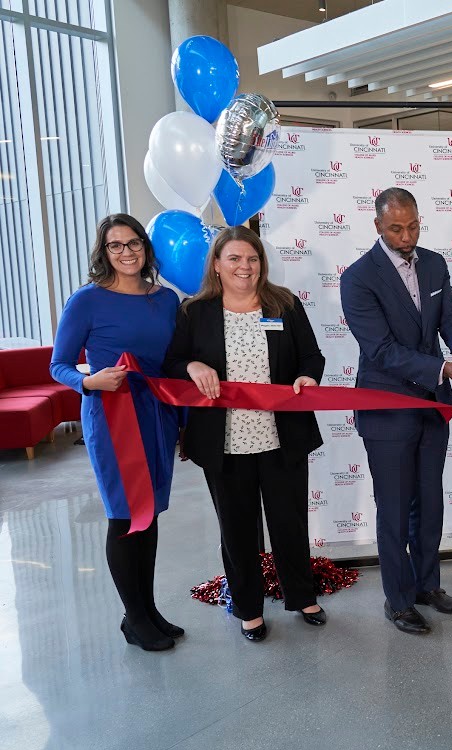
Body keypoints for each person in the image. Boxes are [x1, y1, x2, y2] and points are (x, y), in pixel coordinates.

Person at [163, 226, 326, 642]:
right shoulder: (194, 312)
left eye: (252, 259)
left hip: (282, 437)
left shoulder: (284, 304)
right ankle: (248, 608)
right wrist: (191, 366)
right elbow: (173, 363)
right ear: (216, 265)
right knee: (236, 530)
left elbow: (311, 356)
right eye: (234, 258)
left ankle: (302, 596)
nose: (245, 266)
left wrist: (308, 377)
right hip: (224, 443)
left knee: (289, 522)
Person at [340, 187, 452, 636]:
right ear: (377, 226)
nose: (407, 236)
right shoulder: (358, 278)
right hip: (387, 410)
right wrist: (443, 368)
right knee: (395, 509)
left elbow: (449, 315)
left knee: (429, 502)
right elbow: (380, 350)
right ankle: (398, 601)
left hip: (432, 406)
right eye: (396, 229)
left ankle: (427, 585)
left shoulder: (435, 263)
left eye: (413, 226)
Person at [50, 213, 182, 652]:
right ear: (104, 253)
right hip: (112, 415)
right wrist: (88, 381)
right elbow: (59, 365)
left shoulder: (166, 300)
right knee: (126, 514)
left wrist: (183, 420)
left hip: (158, 414)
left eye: (133, 243)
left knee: (151, 512)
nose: (126, 252)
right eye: (116, 245)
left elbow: (172, 364)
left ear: (145, 246)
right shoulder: (86, 300)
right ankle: (135, 617)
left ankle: (147, 609)